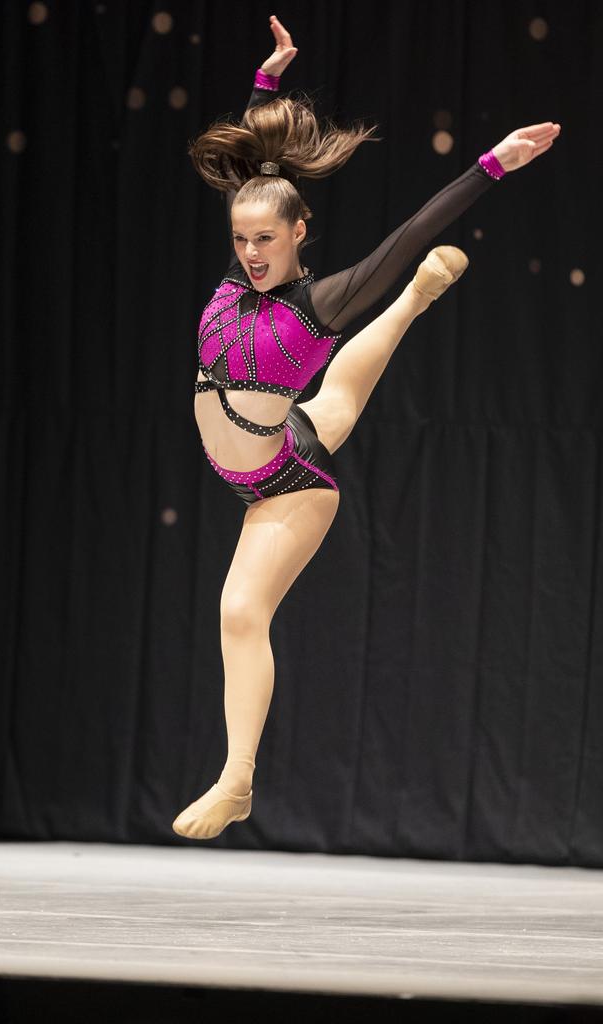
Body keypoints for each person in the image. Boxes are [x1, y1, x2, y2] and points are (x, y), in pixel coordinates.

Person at [172, 15, 560, 840]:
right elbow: (247, 168)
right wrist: (267, 82)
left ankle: (237, 778)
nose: (249, 252)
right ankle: (420, 298)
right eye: (242, 238)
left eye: (266, 240)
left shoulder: (321, 299)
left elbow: (411, 227)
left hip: (285, 486)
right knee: (333, 406)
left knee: (240, 610)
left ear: (299, 233)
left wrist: (494, 163)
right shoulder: (239, 267)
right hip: (277, 441)